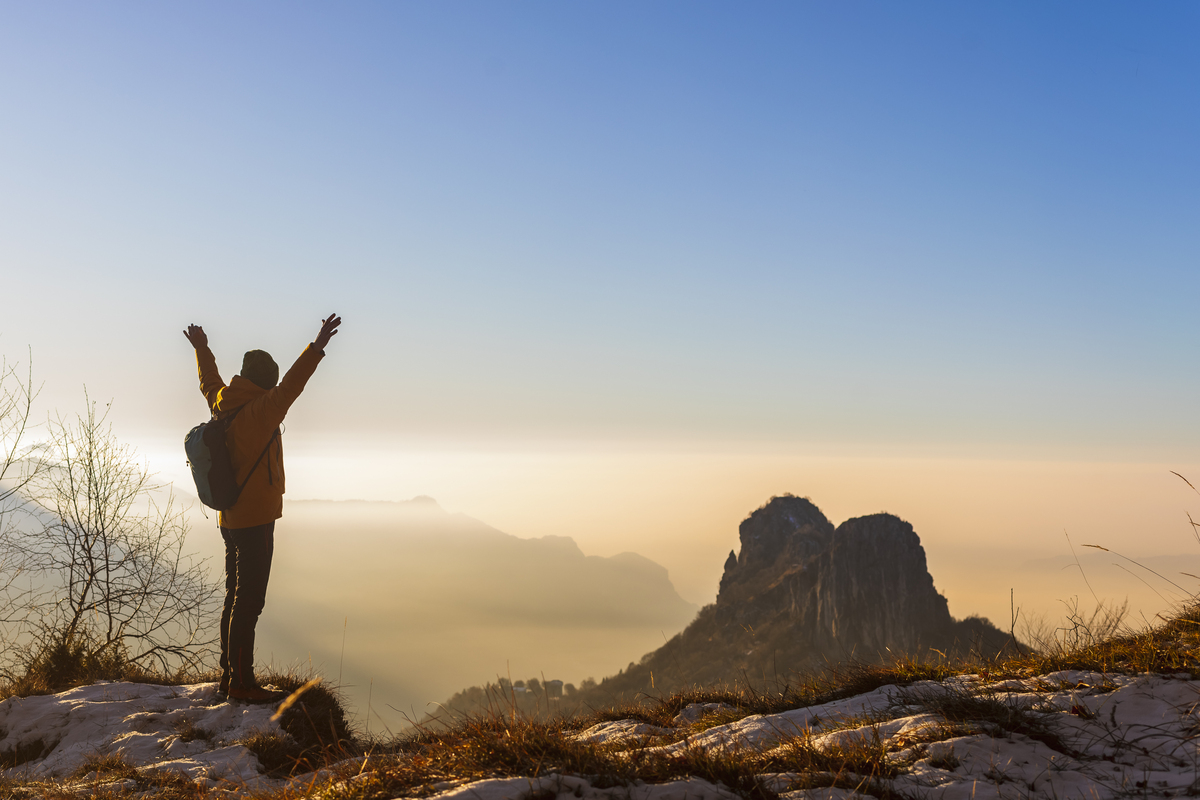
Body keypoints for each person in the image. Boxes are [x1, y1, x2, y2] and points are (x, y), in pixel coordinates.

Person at [183, 314, 342, 703]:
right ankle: (241, 682)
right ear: (266, 382)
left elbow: (209, 380)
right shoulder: (263, 410)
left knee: (234, 595)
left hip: (230, 517)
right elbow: (294, 384)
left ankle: (230, 675)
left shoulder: (224, 401)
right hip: (255, 520)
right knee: (249, 601)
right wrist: (317, 345)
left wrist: (202, 349)